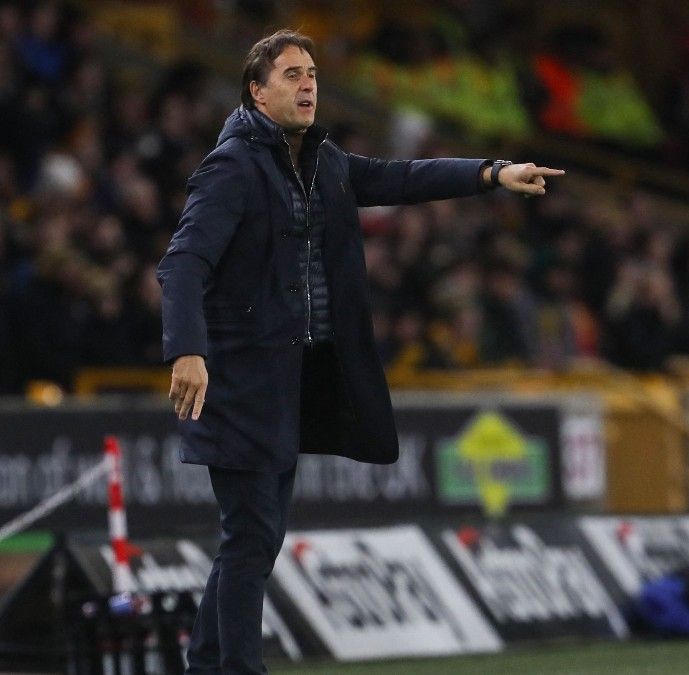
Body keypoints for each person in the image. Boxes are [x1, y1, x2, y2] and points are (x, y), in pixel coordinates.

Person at [156, 29, 562, 673]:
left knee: (254, 539)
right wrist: (186, 351)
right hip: (238, 383)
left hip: (288, 383)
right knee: (251, 537)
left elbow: (401, 178)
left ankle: (208, 663)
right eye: (290, 74)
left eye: (311, 72)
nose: (308, 83)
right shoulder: (232, 166)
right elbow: (182, 264)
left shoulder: (322, 162)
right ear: (256, 93)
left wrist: (489, 173)